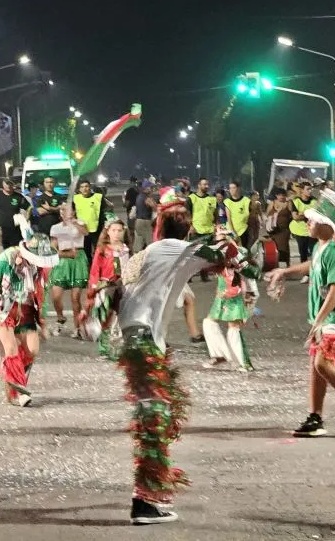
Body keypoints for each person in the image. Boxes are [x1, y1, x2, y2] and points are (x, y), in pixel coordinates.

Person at [76, 187, 249, 524]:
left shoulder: (147, 253)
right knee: (153, 419)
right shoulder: (179, 250)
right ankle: (144, 502)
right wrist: (226, 239)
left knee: (158, 415)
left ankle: (151, 496)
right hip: (142, 343)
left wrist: (99, 319)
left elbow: (117, 290)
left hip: (137, 340)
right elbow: (230, 257)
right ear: (184, 229)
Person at [265, 190, 335, 438]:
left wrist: (319, 321)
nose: (307, 223)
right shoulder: (322, 246)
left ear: (327, 225)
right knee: (317, 368)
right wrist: (284, 272)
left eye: (312, 220)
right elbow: (312, 265)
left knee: (322, 362)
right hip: (326, 320)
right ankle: (315, 418)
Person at [0, 230, 59, 407]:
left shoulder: (44, 267)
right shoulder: (7, 257)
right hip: (4, 308)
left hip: (26, 310)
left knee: (32, 350)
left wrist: (43, 322)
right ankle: (19, 391)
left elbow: (43, 292)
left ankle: (11, 385)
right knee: (10, 350)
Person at [201, 228, 261, 372]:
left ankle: (244, 363)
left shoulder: (240, 252)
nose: (217, 242)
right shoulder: (217, 252)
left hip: (239, 294)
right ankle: (219, 355)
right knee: (209, 322)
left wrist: (238, 265)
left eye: (221, 239)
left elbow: (255, 273)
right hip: (222, 294)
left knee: (233, 327)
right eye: (216, 239)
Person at [86, 218, 130, 359]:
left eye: (119, 230)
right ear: (108, 231)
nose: (116, 233)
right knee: (105, 317)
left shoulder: (126, 248)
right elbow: (94, 271)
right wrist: (94, 288)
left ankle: (117, 347)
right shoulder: (103, 249)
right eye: (113, 230)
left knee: (119, 317)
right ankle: (104, 348)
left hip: (122, 287)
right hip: (106, 287)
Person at [48, 204, 89, 337]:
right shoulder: (55, 227)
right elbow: (52, 247)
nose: (64, 211)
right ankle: (60, 318)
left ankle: (77, 327)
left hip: (78, 259)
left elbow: (86, 232)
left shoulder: (80, 223)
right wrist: (62, 254)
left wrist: (74, 222)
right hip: (62, 259)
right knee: (56, 295)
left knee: (75, 298)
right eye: (62, 209)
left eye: (67, 209)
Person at [74, 179, 112, 260]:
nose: (84, 189)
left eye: (86, 186)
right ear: (79, 189)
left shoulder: (98, 197)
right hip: (82, 231)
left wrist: (107, 224)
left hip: (96, 230)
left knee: (99, 251)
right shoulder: (75, 199)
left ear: (90, 187)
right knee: (86, 252)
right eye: (82, 187)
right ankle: (89, 268)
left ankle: (98, 267)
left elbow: (109, 208)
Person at [0, 178, 31, 249]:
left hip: (15, 231)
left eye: (10, 184)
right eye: (7, 183)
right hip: (0, 230)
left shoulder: (19, 197)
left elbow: (29, 207)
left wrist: (26, 218)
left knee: (16, 251)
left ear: (13, 185)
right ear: (3, 184)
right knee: (2, 250)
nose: (8, 185)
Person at [290, 182, 317, 278]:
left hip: (312, 231)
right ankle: (305, 274)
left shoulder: (314, 201)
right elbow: (295, 217)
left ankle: (315, 272)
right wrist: (308, 214)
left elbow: (316, 215)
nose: (310, 191)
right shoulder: (296, 201)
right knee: (303, 253)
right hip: (299, 231)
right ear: (302, 190)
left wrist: (302, 213)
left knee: (315, 252)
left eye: (311, 189)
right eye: (308, 189)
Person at [225, 181, 252, 248]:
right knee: (232, 252)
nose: (231, 190)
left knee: (243, 251)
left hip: (243, 230)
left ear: (239, 188)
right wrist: (233, 232)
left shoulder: (246, 200)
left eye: (234, 188)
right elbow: (229, 218)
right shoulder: (227, 202)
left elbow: (250, 215)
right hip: (231, 231)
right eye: (230, 188)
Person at [132, 180, 156, 253]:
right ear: (147, 188)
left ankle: (136, 257)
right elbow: (155, 207)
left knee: (138, 242)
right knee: (150, 242)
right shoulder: (146, 198)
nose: (152, 189)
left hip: (138, 221)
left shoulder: (139, 196)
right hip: (145, 222)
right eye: (151, 187)